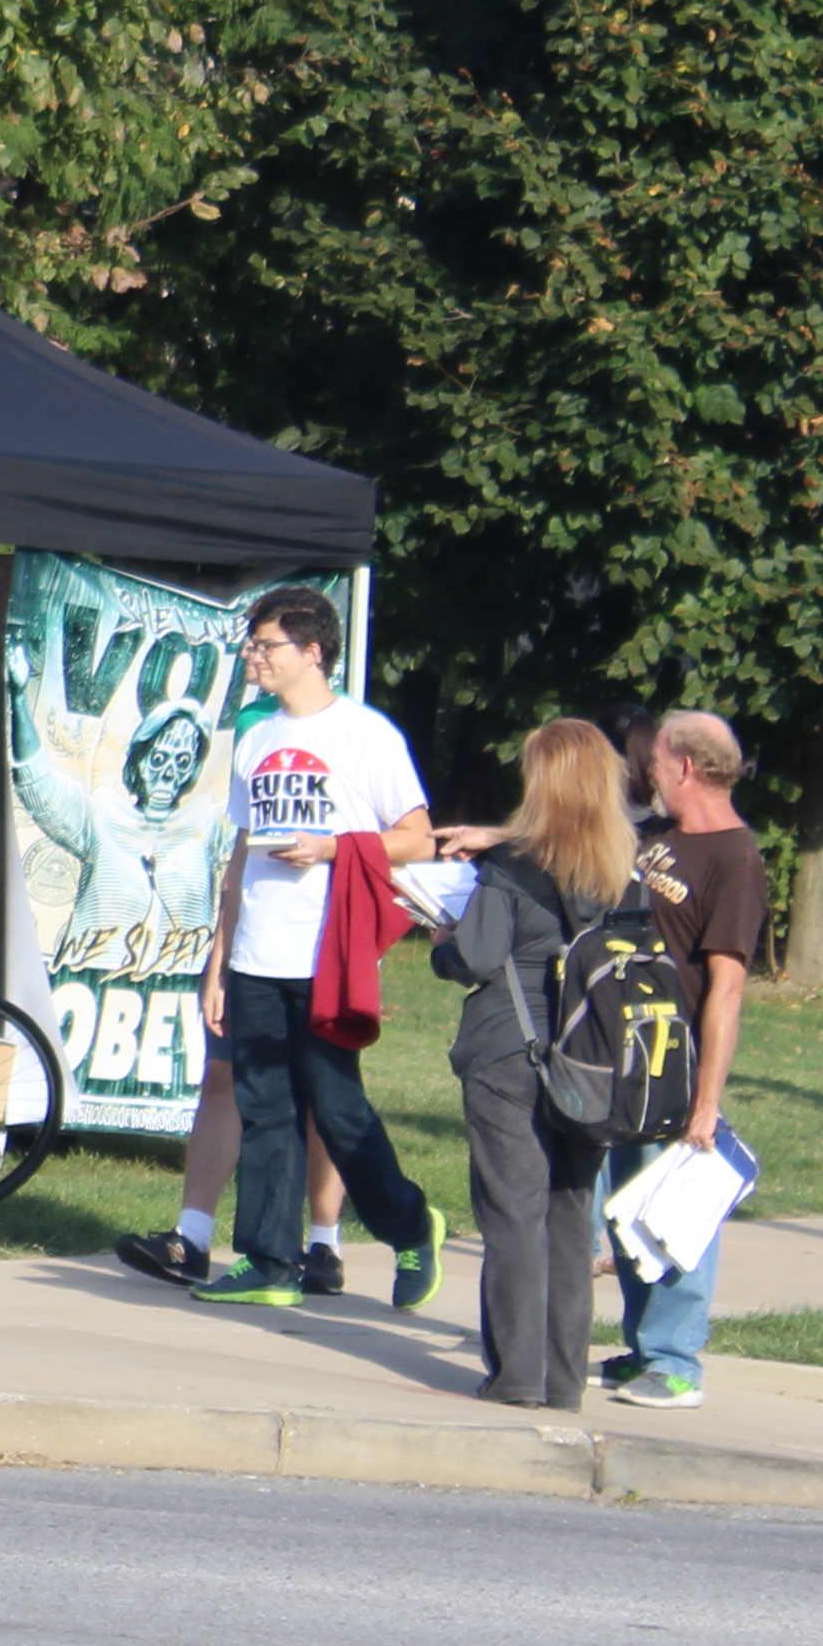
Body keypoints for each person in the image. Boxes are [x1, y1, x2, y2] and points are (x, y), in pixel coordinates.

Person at [165, 587, 442, 1310]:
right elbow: (239, 857)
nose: (254, 658)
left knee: (336, 1107)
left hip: (328, 954)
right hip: (256, 951)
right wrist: (218, 963)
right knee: (266, 1110)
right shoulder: (254, 740)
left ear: (312, 652)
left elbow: (418, 837)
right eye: (251, 647)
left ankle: (411, 1226)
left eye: (266, 646)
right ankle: (269, 1261)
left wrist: (332, 848)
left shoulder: (366, 735)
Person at [428, 720, 638, 1406]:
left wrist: (444, 942)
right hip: (592, 1064)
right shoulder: (624, 877)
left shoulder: (511, 871)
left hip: (507, 1053)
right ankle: (564, 1380)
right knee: (570, 1219)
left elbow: (478, 959)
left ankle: (516, 1375)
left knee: (513, 1214)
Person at [604, 711, 765, 1407]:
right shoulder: (656, 837)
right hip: (620, 1050)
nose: (649, 772)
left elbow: (726, 988)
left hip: (677, 1060)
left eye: (659, 761)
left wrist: (706, 1101)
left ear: (688, 768)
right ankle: (643, 1349)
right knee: (630, 1211)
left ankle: (676, 1363)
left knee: (679, 1213)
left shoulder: (735, 859)